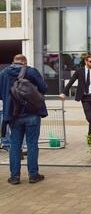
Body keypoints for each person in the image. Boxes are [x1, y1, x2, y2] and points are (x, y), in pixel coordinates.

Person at [0, 55, 47, 185]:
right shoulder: (31, 71)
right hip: (32, 113)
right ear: (25, 62)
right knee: (32, 144)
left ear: (13, 61)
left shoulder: (3, 73)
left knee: (15, 145)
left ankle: (14, 177)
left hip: (13, 115)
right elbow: (44, 88)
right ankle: (33, 175)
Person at [59, 54, 91, 135]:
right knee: (90, 117)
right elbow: (71, 81)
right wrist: (64, 92)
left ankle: (90, 134)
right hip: (85, 97)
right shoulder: (79, 71)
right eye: (90, 61)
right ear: (86, 61)